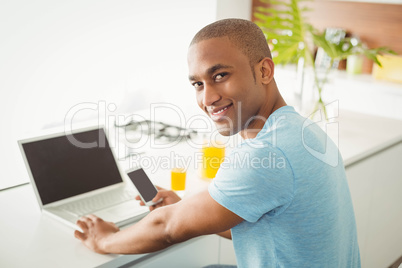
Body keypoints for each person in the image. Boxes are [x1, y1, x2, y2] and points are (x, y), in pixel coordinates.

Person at [75, 19, 361, 267]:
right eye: (198, 84)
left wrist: (104, 239)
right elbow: (262, 215)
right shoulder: (301, 129)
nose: (207, 98)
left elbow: (166, 228)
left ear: (264, 71)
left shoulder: (265, 154)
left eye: (220, 76)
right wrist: (188, 208)